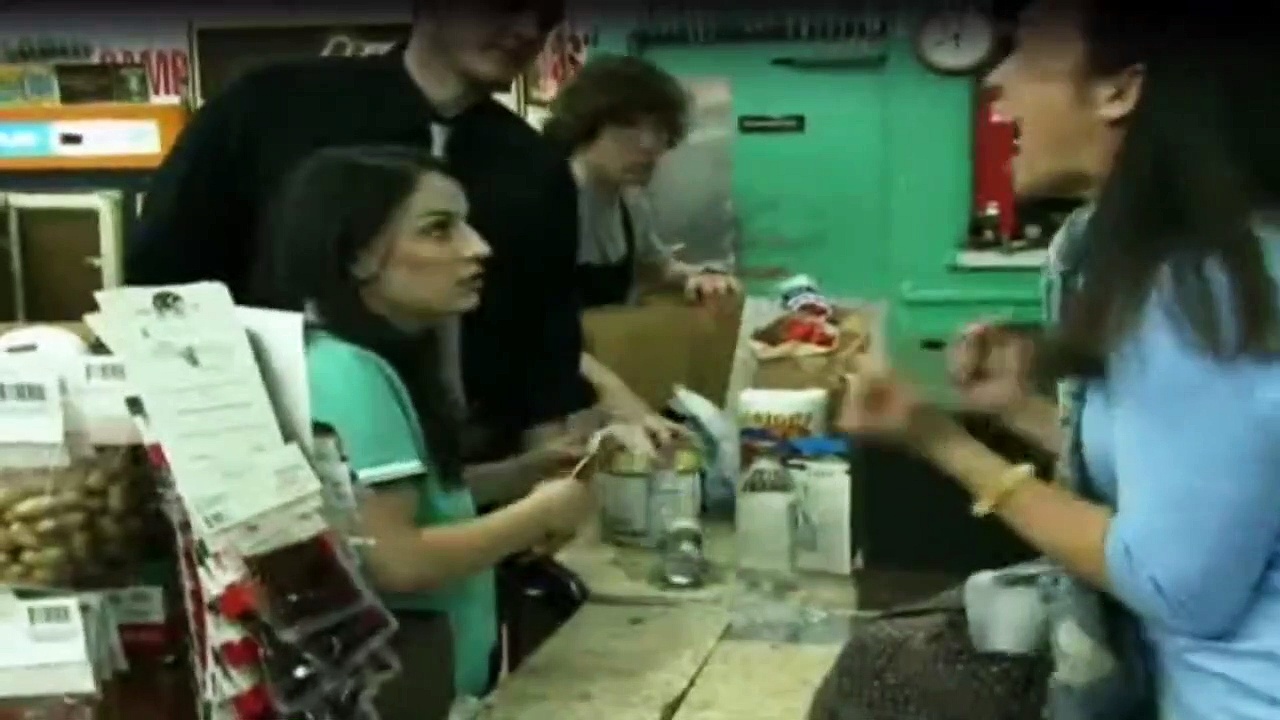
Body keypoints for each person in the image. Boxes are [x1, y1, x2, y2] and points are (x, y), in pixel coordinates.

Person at [826, 1, 1280, 718]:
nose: (995, 79)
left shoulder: (1200, 287)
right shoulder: (1224, 259)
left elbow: (1172, 585)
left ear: (1119, 90)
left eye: (1028, 51)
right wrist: (1018, 411)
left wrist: (939, 440)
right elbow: (1194, 494)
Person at [126, 0, 590, 483]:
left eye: (546, 18)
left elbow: (547, 330)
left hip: (479, 457)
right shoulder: (270, 108)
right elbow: (163, 275)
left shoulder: (533, 165)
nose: (527, 29)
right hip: (276, 447)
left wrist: (550, 476)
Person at [251, 145, 598, 720]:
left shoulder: (352, 357)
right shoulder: (348, 374)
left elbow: (404, 505)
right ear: (359, 255)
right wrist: (541, 513)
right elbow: (397, 559)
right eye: (439, 230)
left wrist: (518, 474)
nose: (478, 247)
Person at [543, 54, 741, 437]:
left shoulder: (629, 201)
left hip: (608, 387)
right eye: (628, 127)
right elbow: (532, 331)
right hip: (549, 400)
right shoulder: (547, 200)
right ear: (585, 126)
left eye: (660, 130)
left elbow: (655, 266)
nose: (650, 145)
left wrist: (697, 277)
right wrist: (622, 400)